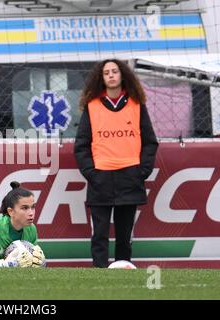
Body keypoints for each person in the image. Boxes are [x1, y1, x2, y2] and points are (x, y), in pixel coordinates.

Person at [73, 59, 158, 268]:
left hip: (130, 176)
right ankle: (100, 272)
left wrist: (142, 171)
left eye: (115, 71)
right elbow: (81, 146)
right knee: (99, 235)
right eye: (106, 72)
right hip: (100, 178)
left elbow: (150, 142)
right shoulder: (92, 106)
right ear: (101, 78)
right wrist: (92, 173)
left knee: (124, 235)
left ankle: (124, 270)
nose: (111, 75)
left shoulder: (137, 104)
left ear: (122, 75)